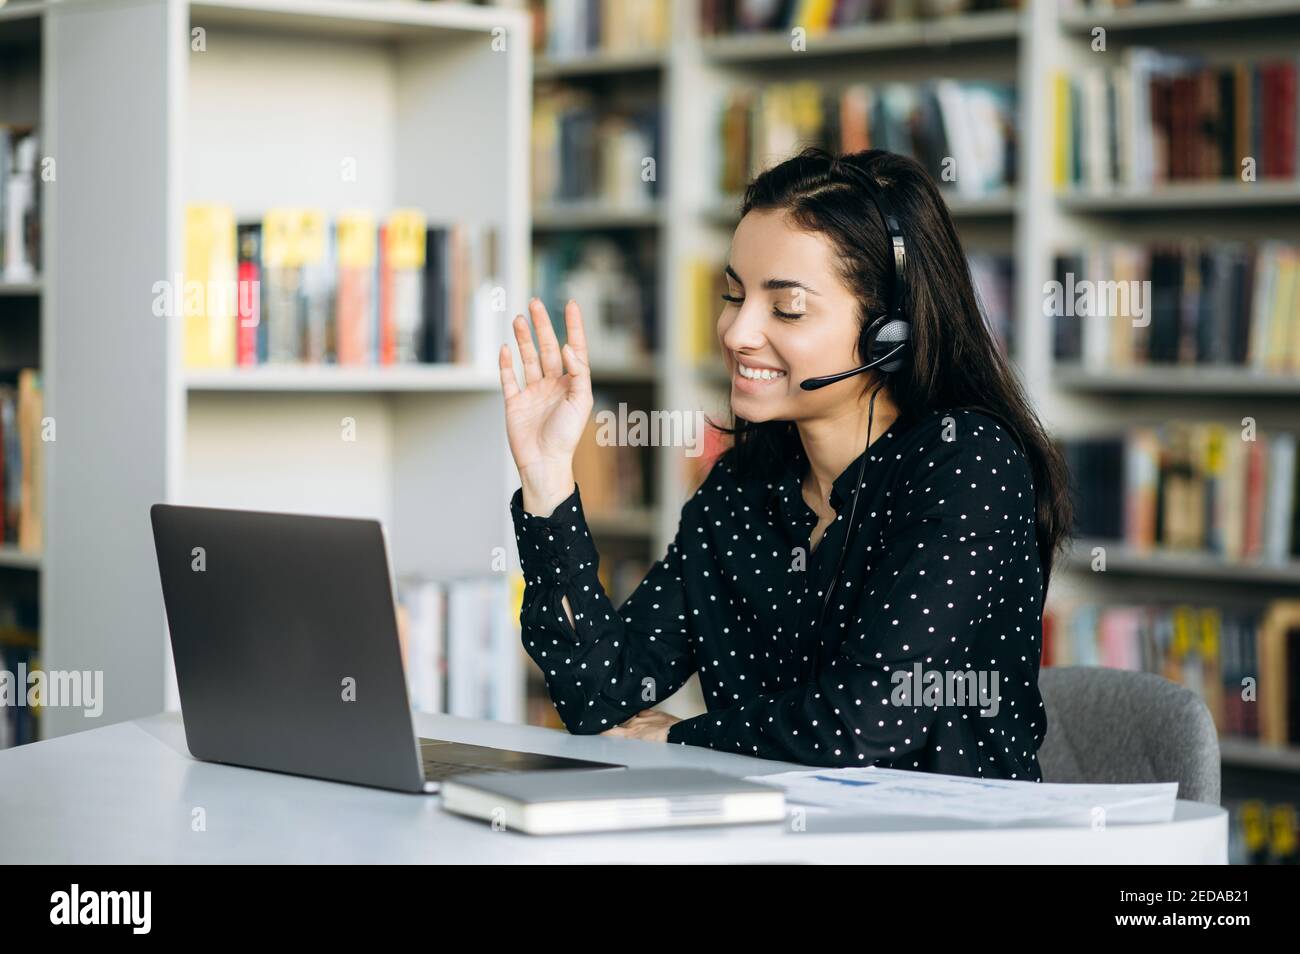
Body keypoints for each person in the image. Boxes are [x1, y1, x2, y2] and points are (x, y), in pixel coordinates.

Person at [497, 147, 1072, 778]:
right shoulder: (741, 487)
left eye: (786, 307)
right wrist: (548, 476)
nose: (737, 332)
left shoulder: (967, 464)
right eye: (733, 294)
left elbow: (870, 719)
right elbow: (600, 696)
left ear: (890, 331)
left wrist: (679, 741)